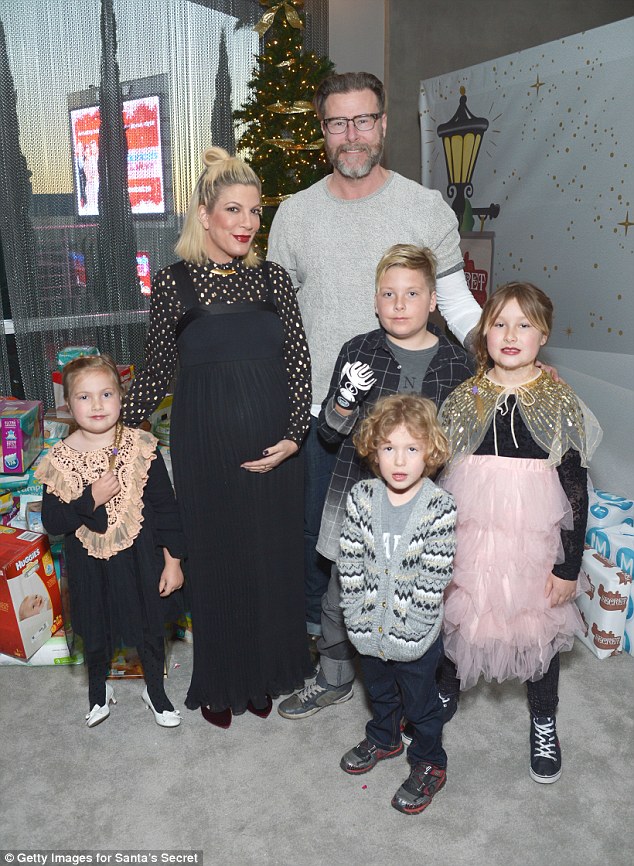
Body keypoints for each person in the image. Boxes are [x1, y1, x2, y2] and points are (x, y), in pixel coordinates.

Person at [267, 71, 482, 645]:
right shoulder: (294, 215)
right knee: (324, 536)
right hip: (325, 413)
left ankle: (411, 648)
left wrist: (512, 358)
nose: (352, 135)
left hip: (415, 421)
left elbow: (456, 303)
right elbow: (277, 324)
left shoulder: (424, 206)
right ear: (323, 130)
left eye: (364, 120)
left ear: (383, 125)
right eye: (338, 123)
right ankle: (325, 649)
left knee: (414, 540)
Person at [122, 146, 313, 728]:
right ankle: (222, 679)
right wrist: (108, 426)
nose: (248, 223)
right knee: (218, 561)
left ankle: (266, 674)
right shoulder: (176, 283)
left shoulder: (275, 279)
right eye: (234, 209)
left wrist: (295, 435)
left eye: (256, 211)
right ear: (204, 214)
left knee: (271, 562)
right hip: (206, 448)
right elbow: (155, 369)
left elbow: (299, 365)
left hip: (278, 453)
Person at [278, 244, 473, 719]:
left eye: (412, 293)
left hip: (421, 509)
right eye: (389, 293)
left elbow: (459, 445)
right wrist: (344, 400)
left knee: (415, 599)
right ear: (376, 300)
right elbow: (327, 432)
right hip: (356, 500)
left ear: (433, 301)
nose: (400, 304)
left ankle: (414, 691)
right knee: (341, 596)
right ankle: (334, 678)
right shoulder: (358, 350)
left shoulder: (455, 362)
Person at [437, 282, 602, 783]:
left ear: (543, 334)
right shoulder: (465, 397)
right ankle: (443, 692)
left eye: (524, 325)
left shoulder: (558, 399)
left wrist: (569, 567)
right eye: (500, 323)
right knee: (461, 615)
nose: (511, 334)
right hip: (472, 536)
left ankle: (544, 716)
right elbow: (442, 479)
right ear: (484, 331)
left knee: (538, 627)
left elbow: (575, 489)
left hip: (534, 539)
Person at [36, 355, 185, 728]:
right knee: (95, 627)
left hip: (142, 556)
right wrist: (91, 500)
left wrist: (173, 561)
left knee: (150, 625)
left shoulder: (140, 446)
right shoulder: (58, 458)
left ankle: (155, 688)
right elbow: (53, 521)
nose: (97, 404)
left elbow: (167, 509)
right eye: (84, 397)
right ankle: (98, 689)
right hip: (87, 563)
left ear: (121, 398)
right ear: (68, 406)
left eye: (106, 394)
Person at [337, 394, 456, 815]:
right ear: (374, 449)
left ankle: (429, 763)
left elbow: (434, 576)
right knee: (380, 692)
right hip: (368, 629)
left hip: (416, 638)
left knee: (422, 707)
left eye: (412, 448)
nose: (400, 460)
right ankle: (384, 737)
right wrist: (354, 616)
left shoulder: (440, 507)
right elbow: (350, 559)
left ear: (431, 452)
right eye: (389, 448)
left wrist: (413, 630)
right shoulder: (361, 497)